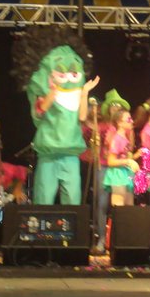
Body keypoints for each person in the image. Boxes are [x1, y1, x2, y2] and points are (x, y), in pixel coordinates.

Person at [11, 27, 99, 206]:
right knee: (44, 196)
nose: (69, 75)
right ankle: (41, 223)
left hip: (70, 153)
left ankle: (72, 225)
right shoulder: (44, 94)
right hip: (49, 153)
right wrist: (53, 90)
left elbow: (82, 116)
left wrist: (84, 93)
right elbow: (42, 108)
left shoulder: (76, 96)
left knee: (73, 198)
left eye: (74, 72)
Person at [81, 89, 131, 255]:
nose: (115, 107)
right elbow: (85, 125)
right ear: (108, 108)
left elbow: (129, 149)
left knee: (121, 205)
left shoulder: (126, 128)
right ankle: (101, 239)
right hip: (103, 167)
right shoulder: (101, 126)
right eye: (112, 105)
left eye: (118, 105)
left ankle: (120, 240)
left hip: (120, 169)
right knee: (101, 203)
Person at [103, 109, 139, 207]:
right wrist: (128, 161)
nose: (132, 121)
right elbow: (111, 161)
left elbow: (125, 157)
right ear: (119, 123)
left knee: (128, 206)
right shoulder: (117, 139)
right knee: (119, 205)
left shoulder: (125, 138)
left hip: (125, 173)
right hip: (118, 174)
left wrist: (135, 156)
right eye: (128, 119)